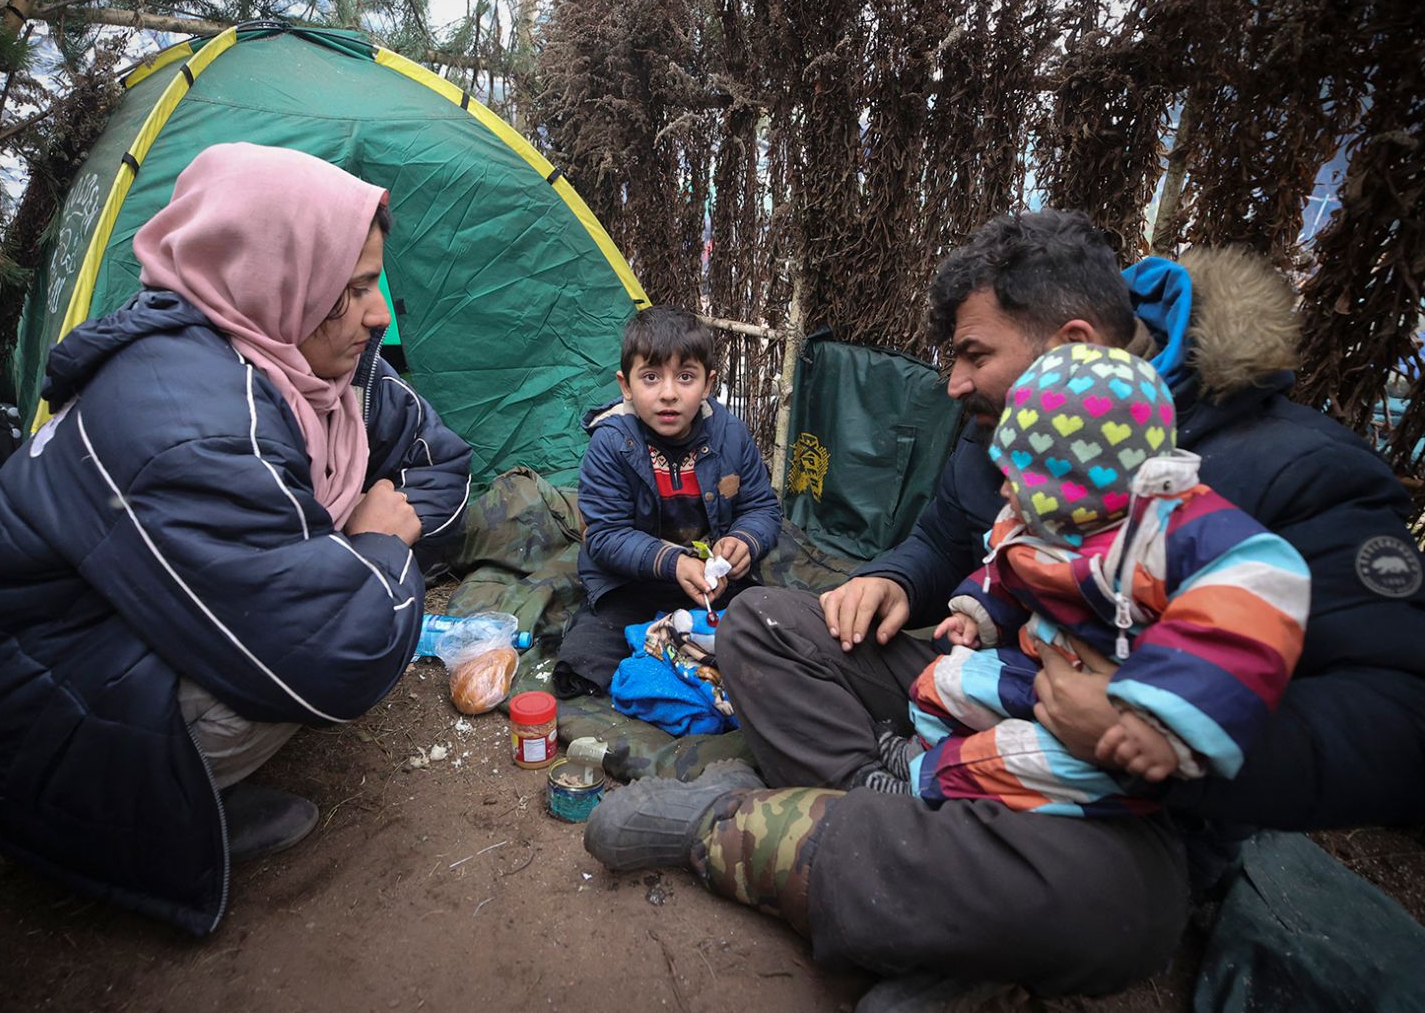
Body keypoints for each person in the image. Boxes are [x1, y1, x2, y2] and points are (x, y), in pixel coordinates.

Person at [586, 209, 1425, 995]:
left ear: (1069, 343)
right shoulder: (1000, 424)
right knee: (765, 622)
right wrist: (892, 579)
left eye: (972, 355)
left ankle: (740, 830)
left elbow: (1397, 715)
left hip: (1124, 801)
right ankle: (903, 839)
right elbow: (944, 539)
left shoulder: (1296, 469)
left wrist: (1151, 731)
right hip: (986, 686)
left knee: (1115, 912)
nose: (953, 383)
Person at [0, 143, 471, 935]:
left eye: (372, 283)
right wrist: (377, 547)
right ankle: (148, 815)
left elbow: (439, 459)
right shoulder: (187, 416)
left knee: (316, 606)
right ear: (278, 278)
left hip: (81, 658)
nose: (379, 311)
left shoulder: (302, 360)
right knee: (309, 651)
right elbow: (333, 655)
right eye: (352, 289)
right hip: (9, 731)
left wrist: (363, 546)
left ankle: (169, 780)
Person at [886, 343, 1309, 815]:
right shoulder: (1055, 520)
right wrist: (978, 611)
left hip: (1121, 717)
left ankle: (924, 787)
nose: (1005, 490)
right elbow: (1011, 565)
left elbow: (1251, 600)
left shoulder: (1171, 534)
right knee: (940, 683)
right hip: (1039, 670)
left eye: (1021, 480)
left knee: (1016, 757)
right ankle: (922, 756)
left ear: (1076, 482)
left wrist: (1163, 719)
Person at [554, 305, 781, 697]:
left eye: (686, 377)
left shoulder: (730, 435)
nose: (669, 393)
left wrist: (745, 541)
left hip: (712, 582)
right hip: (631, 583)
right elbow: (605, 536)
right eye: (651, 377)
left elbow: (762, 508)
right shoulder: (610, 443)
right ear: (626, 386)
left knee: (770, 631)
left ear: (708, 384)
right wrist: (673, 562)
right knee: (584, 661)